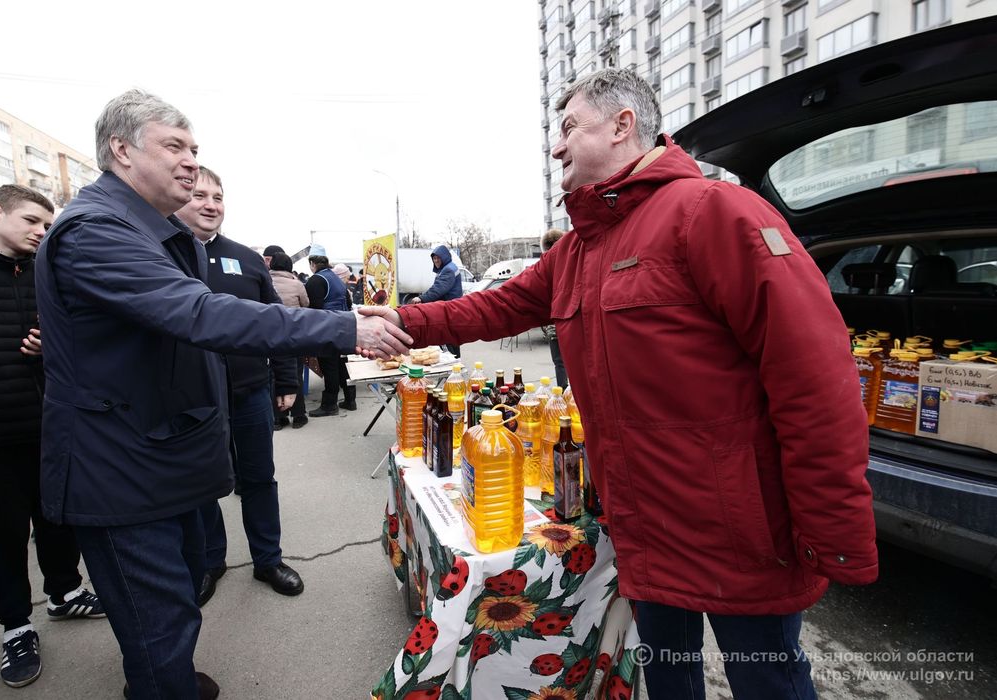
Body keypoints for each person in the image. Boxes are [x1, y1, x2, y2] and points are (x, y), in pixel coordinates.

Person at [359, 69, 877, 700]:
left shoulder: (713, 212)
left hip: (737, 527)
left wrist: (833, 531)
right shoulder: (580, 247)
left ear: (622, 125)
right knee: (669, 677)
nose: (556, 146)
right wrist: (402, 322)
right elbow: (497, 306)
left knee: (767, 681)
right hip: (642, 524)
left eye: (569, 127)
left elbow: (814, 379)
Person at [35, 89, 412, 699]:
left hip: (154, 453)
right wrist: (345, 329)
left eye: (195, 149)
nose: (191, 162)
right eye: (175, 147)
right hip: (121, 469)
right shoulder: (96, 231)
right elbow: (201, 314)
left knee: (176, 600)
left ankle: (168, 679)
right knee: (156, 622)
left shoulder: (146, 229)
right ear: (122, 151)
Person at [0, 185, 105, 689]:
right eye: (32, 221)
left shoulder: (47, 273)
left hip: (52, 430)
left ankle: (65, 593)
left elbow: (81, 340)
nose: (42, 232)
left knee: (58, 522)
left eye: (47, 224)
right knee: (0, 539)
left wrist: (49, 346)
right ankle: (15, 626)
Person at [175, 166, 304, 606]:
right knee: (202, 484)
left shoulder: (247, 260)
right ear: (180, 196)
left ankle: (268, 559)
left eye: (218, 197)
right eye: (200, 195)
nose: (211, 205)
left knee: (259, 478)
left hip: (250, 392)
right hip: (191, 397)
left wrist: (287, 380)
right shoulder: (159, 255)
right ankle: (209, 562)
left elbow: (277, 324)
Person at [305, 245, 357, 415]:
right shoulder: (335, 278)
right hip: (343, 326)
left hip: (326, 328)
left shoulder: (316, 280)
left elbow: (313, 309)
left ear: (312, 263)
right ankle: (350, 400)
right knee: (342, 365)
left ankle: (329, 405)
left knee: (329, 367)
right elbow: (348, 303)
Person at [268, 251, 309, 430]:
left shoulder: (265, 281)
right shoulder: (297, 284)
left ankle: (278, 417)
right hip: (293, 334)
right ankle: (298, 415)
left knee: (274, 374)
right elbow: (306, 304)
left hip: (269, 335)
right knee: (295, 373)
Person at [407, 244, 463, 357]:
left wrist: (421, 298)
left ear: (444, 257)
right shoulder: (446, 268)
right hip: (450, 309)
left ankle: (453, 363)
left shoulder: (448, 270)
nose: (436, 260)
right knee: (451, 340)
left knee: (448, 339)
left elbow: (438, 289)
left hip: (449, 311)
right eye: (434, 258)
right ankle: (455, 362)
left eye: (438, 258)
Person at [539, 228, 568, 388]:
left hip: (554, 325)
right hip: (572, 324)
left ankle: (563, 394)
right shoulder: (572, 265)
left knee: (559, 363)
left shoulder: (544, 269)